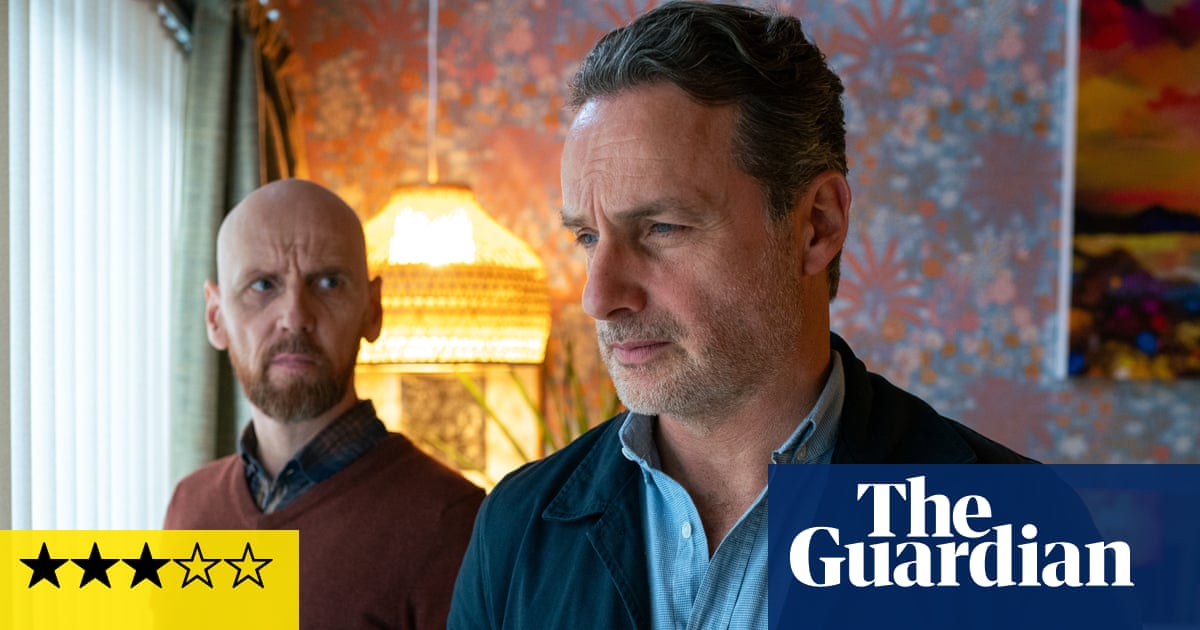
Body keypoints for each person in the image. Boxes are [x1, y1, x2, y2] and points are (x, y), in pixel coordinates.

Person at [448, 2, 1032, 628]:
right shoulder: (516, 529)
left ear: (817, 225)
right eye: (588, 237)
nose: (600, 296)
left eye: (662, 227)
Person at [165, 178, 484, 630]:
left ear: (373, 309)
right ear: (215, 317)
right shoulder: (190, 505)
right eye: (262, 285)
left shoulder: (451, 520)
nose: (295, 316)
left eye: (329, 282)